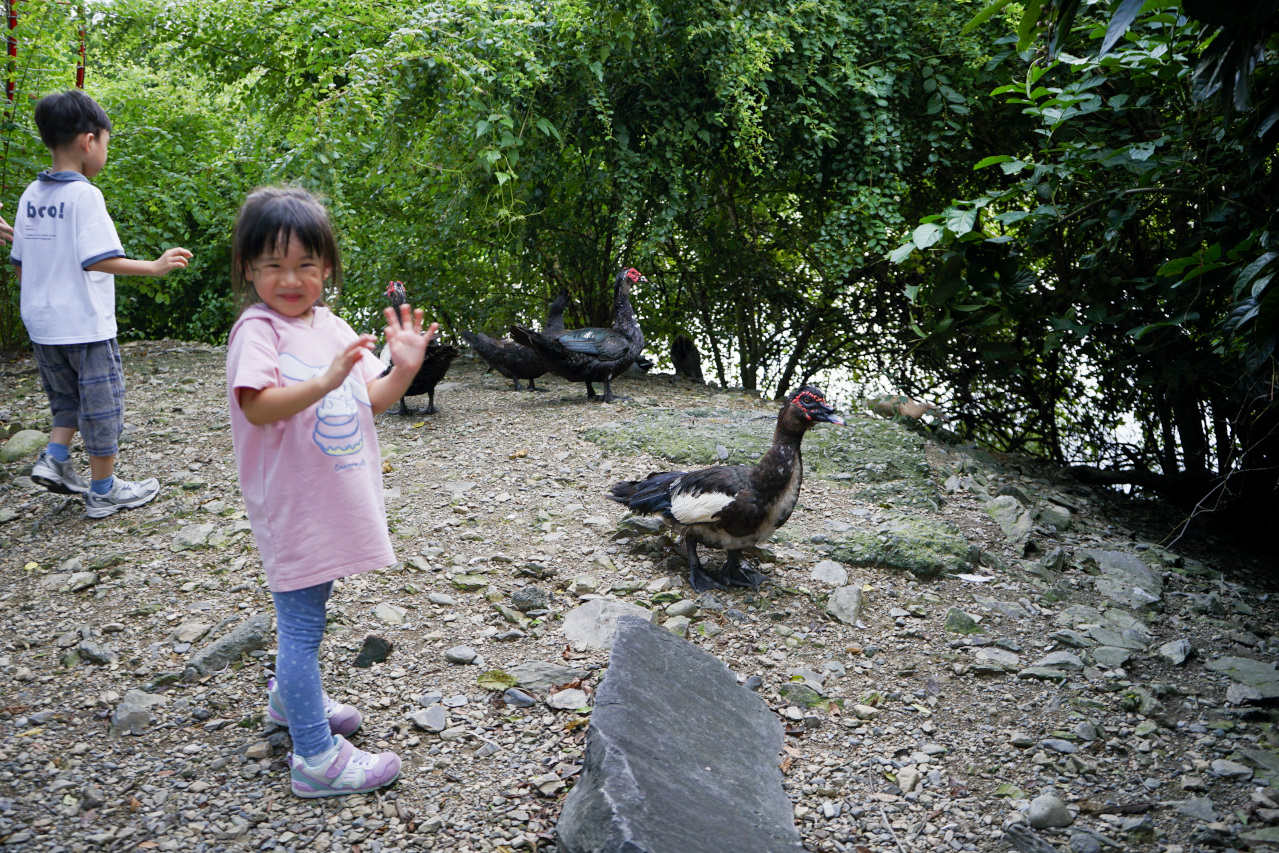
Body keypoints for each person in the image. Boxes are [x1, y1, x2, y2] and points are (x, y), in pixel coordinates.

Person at [226, 185, 431, 798]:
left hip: (333, 500)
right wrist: (322, 380)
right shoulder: (257, 332)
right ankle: (316, 759)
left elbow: (370, 399)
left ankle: (291, 704)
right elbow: (259, 408)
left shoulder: (332, 326)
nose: (290, 280)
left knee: (310, 613)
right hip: (292, 506)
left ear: (328, 267)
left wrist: (406, 368)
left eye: (305, 266)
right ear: (249, 269)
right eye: (273, 266)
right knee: (301, 627)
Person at [8, 89, 192, 517]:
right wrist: (154, 266)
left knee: (65, 399)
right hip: (84, 325)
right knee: (102, 403)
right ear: (88, 141)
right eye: (106, 142)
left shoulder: (30, 196)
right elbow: (98, 260)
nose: (105, 151)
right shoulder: (85, 195)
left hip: (43, 325)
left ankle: (54, 457)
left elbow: (23, 266)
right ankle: (104, 489)